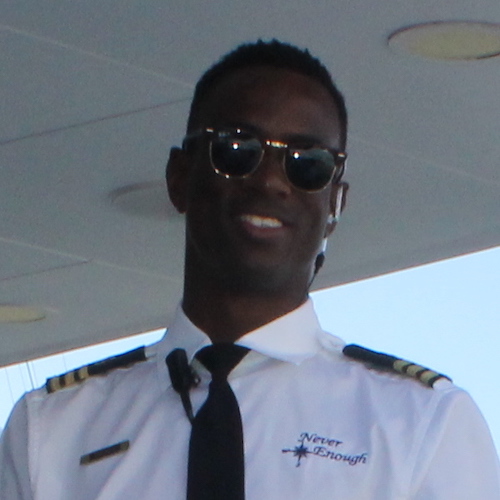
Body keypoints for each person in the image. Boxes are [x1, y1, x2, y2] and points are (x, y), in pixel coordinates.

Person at [1, 39, 499, 499]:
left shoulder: (420, 423)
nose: (271, 182)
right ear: (179, 177)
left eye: (308, 163)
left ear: (335, 203)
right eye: (237, 150)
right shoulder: (53, 429)